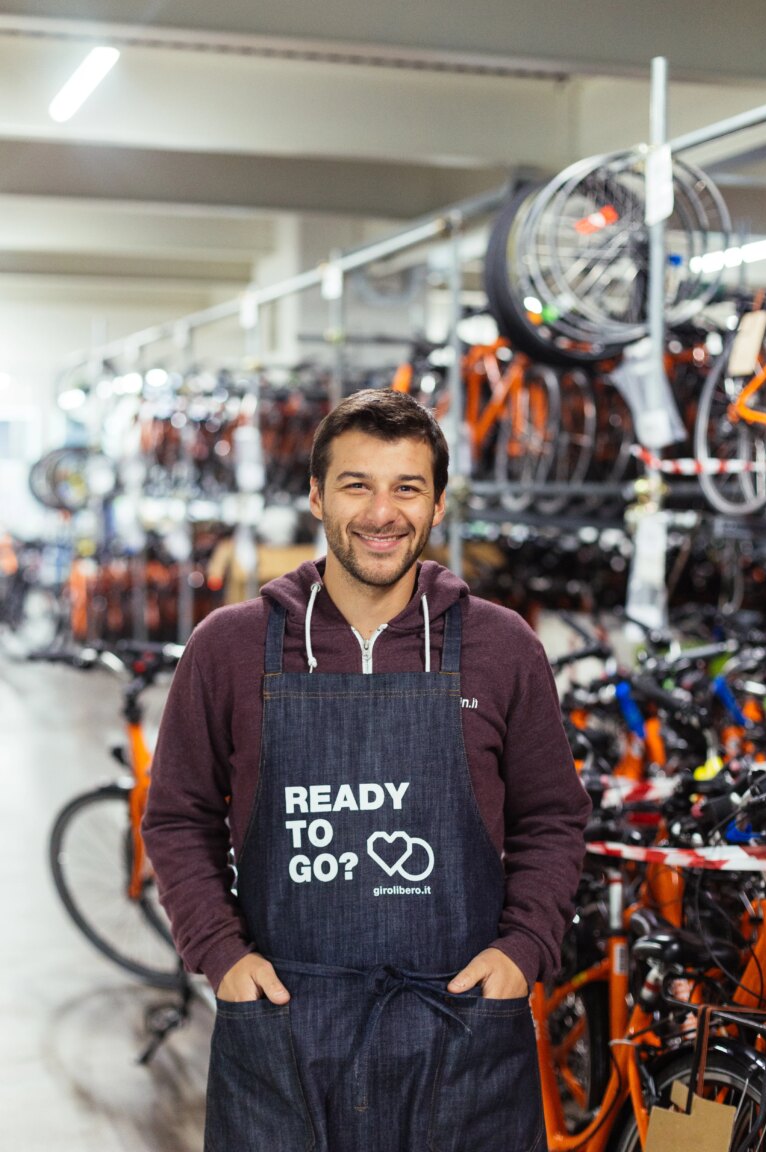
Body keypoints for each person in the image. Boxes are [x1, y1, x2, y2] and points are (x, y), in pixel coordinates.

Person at [143, 388, 591, 1152]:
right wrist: (221, 954)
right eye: (357, 484)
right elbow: (178, 816)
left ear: (438, 504)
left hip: (460, 1023)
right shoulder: (229, 647)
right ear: (316, 494)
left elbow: (553, 816)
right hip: (285, 1023)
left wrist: (522, 951)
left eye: (406, 488)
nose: (382, 512)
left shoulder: (503, 646)